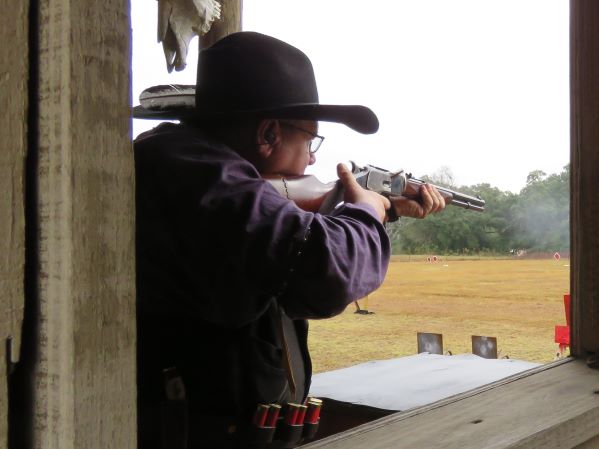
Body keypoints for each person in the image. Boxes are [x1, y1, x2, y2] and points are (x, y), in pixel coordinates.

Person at [134, 31, 445, 449]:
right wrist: (367, 210)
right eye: (310, 140)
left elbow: (274, 249)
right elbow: (327, 270)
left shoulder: (195, 169)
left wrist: (382, 210)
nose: (313, 158)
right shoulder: (201, 177)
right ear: (267, 135)